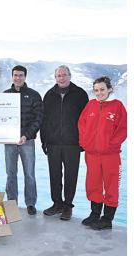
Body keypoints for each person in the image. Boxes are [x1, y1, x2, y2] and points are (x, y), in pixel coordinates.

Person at [78, 76, 127, 230]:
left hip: (110, 155)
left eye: (102, 89)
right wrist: (85, 143)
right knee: (93, 184)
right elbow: (82, 125)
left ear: (109, 89)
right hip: (92, 154)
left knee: (111, 186)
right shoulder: (90, 105)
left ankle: (107, 219)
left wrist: (111, 146)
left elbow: (123, 129)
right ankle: (94, 214)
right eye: (96, 90)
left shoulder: (117, 106)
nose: (99, 93)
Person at [41, 65, 89, 220]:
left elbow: (86, 120)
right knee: (54, 175)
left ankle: (68, 206)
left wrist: (83, 141)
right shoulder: (49, 95)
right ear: (55, 78)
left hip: (72, 143)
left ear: (70, 76)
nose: (61, 78)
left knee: (71, 175)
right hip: (54, 142)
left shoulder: (80, 94)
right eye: (58, 76)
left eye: (64, 75)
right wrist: (44, 141)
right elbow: (44, 120)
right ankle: (57, 204)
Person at [3, 65, 43, 215]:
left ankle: (30, 203)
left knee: (29, 173)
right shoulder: (5, 95)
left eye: (21, 75)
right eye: (15, 75)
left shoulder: (34, 95)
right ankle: (12, 202)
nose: (18, 78)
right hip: (9, 142)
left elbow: (38, 118)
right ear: (12, 77)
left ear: (25, 77)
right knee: (10, 173)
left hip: (27, 141)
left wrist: (26, 135)